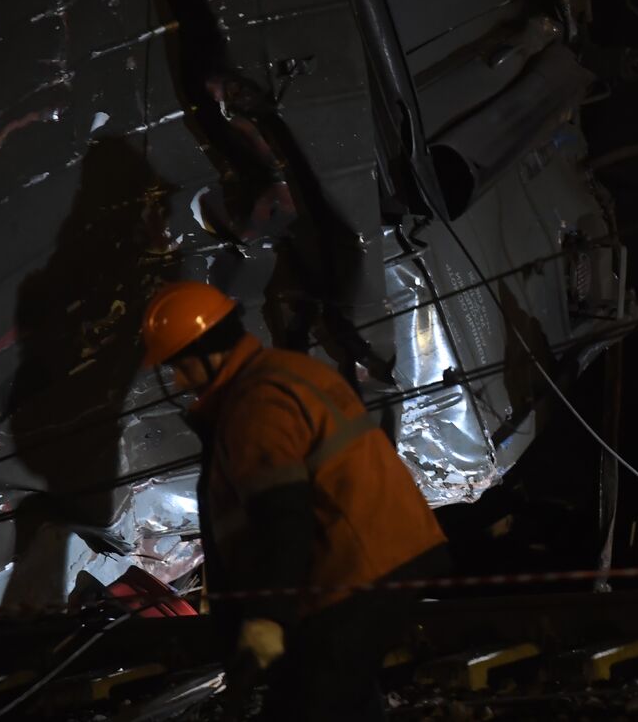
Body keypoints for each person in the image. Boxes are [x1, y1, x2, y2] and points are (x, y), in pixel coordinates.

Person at [141, 281, 448, 721]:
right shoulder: (279, 372)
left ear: (208, 353)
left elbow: (283, 519)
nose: (176, 380)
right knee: (342, 700)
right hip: (376, 562)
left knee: (311, 703)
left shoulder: (254, 405)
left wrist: (269, 619)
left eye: (179, 366)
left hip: (356, 574)